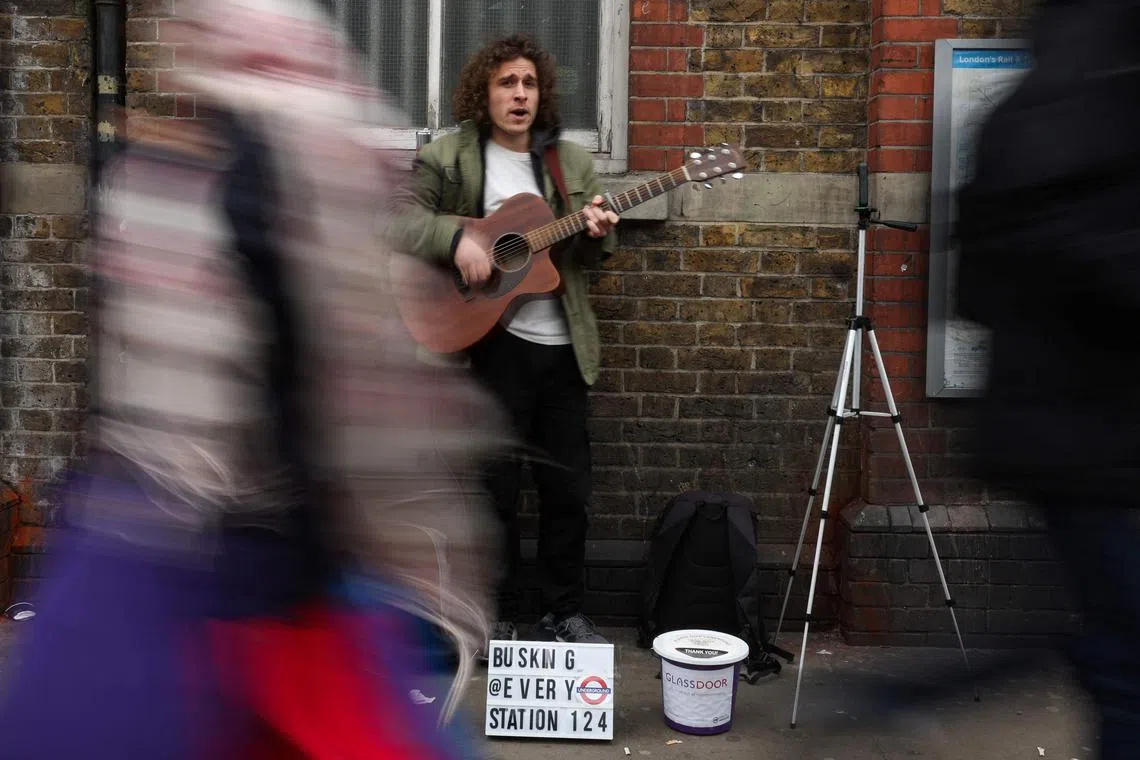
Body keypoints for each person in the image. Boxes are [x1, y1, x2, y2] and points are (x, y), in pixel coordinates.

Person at [0, 0, 505, 756]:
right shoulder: (308, 137)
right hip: (260, 581)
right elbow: (374, 409)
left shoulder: (156, 175)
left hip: (123, 564)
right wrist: (444, 582)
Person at [955, 2, 1140, 757]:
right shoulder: (1085, 111)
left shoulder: (1033, 112)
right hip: (1089, 433)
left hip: (1069, 431)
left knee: (1119, 646)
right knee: (1125, 659)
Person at [398, 33, 619, 647]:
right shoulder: (451, 157)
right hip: (489, 345)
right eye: (506, 83)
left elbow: (588, 257)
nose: (519, 95)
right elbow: (397, 220)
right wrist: (456, 240)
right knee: (493, 490)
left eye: (529, 83)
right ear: (485, 92)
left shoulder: (569, 165)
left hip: (563, 348)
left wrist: (598, 231)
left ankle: (564, 611)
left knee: (567, 490)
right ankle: (489, 611)